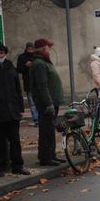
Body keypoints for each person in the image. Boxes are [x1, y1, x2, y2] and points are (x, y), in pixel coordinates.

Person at [0, 43, 30, 176]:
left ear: (5, 54)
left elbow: (17, 89)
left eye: (1, 53)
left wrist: (20, 107)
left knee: (15, 141)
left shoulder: (10, 66)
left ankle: (17, 166)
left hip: (12, 111)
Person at [30, 38, 65, 167]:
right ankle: (46, 157)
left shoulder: (44, 62)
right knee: (46, 131)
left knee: (50, 130)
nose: (50, 50)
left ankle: (51, 155)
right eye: (48, 47)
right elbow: (42, 86)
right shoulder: (39, 64)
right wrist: (48, 103)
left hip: (51, 102)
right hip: (46, 104)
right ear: (43, 49)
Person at [16, 42, 38, 127]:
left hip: (37, 82)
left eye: (32, 48)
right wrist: (26, 65)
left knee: (38, 102)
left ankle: (39, 119)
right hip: (28, 83)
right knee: (32, 103)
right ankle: (36, 119)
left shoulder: (36, 57)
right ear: (26, 48)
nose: (30, 50)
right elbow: (18, 69)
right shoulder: (22, 57)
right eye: (29, 49)